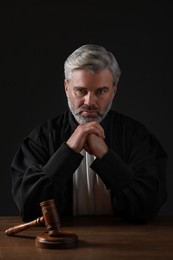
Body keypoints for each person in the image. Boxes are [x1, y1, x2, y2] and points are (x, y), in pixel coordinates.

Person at [11, 44, 168, 224]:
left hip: (127, 246)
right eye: (81, 90)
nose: (90, 101)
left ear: (114, 91)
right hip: (61, 248)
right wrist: (69, 151)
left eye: (101, 91)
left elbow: (148, 208)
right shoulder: (40, 139)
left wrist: (106, 156)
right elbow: (29, 210)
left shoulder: (137, 137)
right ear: (66, 88)